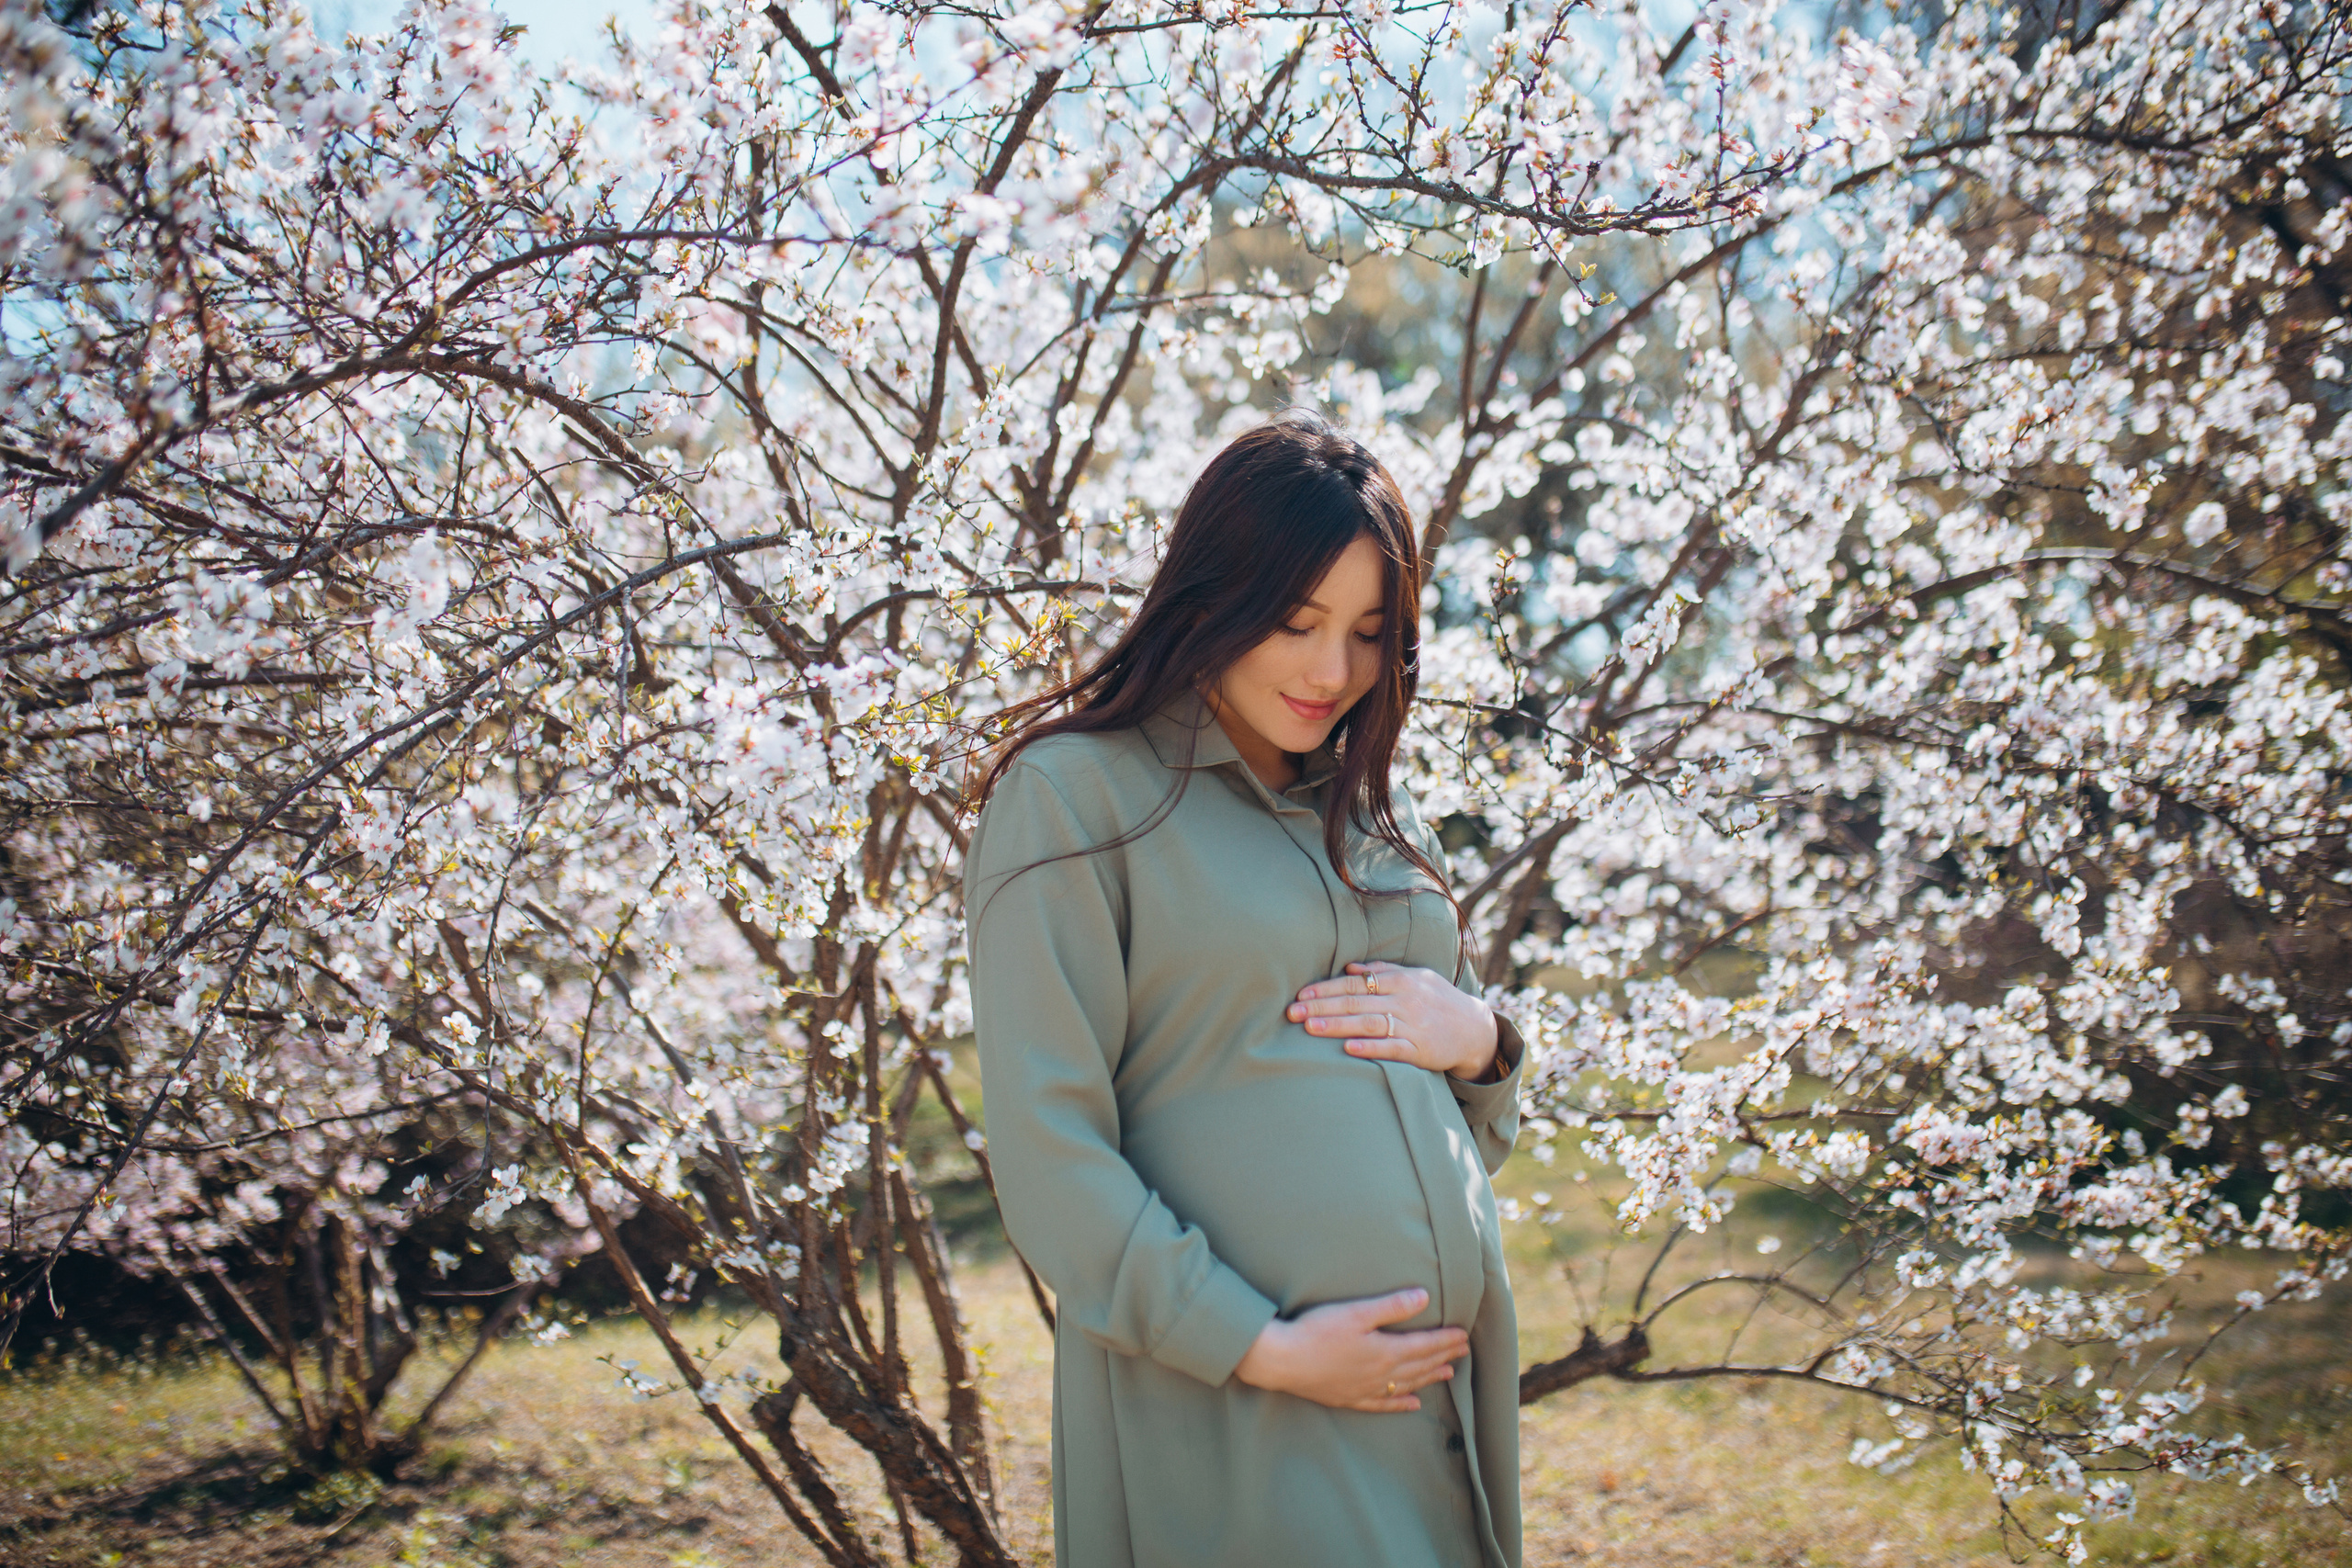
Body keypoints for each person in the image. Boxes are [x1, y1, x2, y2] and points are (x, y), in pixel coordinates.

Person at [961, 409, 1525, 1568]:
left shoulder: (1378, 815)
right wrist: (1260, 1346)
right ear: (1211, 595)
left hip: (1439, 1409)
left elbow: (1478, 1125)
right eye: (1295, 620)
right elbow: (1045, 1146)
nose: (1332, 672)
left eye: (1370, 632)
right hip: (1233, 1394)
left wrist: (1483, 1042)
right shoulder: (1078, 799)